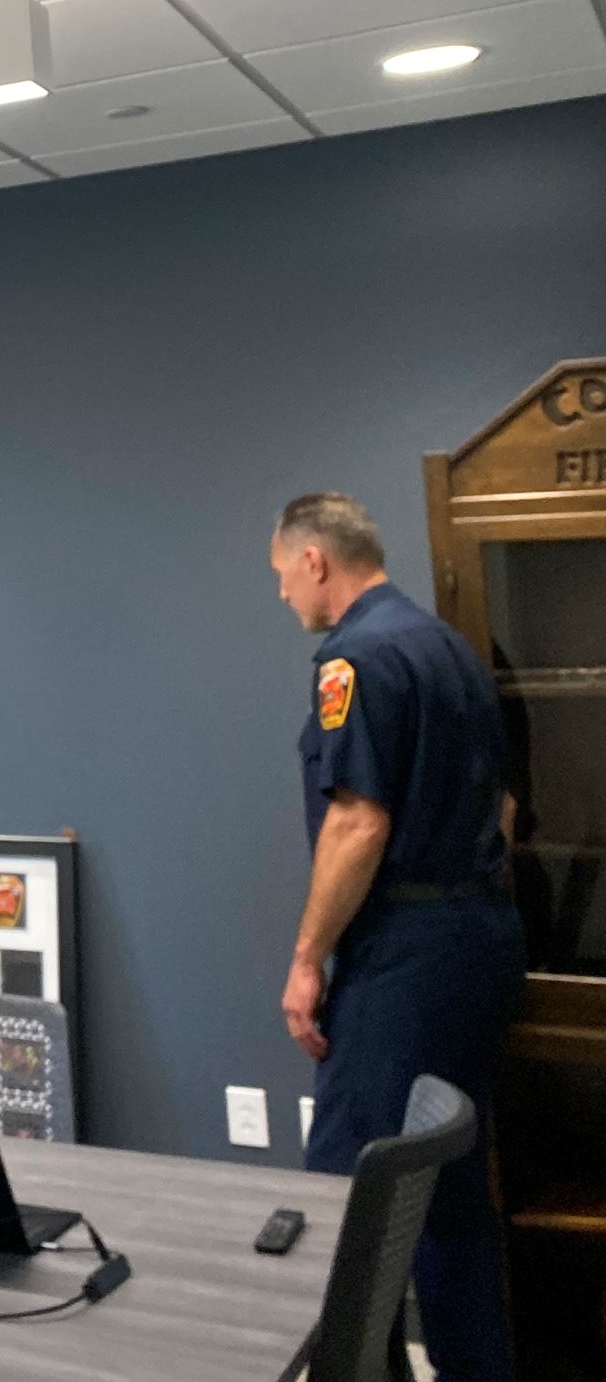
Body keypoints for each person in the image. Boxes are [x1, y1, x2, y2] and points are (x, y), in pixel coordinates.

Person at [269, 492, 524, 1382]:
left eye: (279, 576)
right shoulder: (450, 646)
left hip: (406, 948)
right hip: (483, 935)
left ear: (315, 561)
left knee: (349, 1190)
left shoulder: (357, 657)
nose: (282, 597)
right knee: (450, 1184)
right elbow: (506, 804)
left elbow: (358, 824)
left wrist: (307, 962)